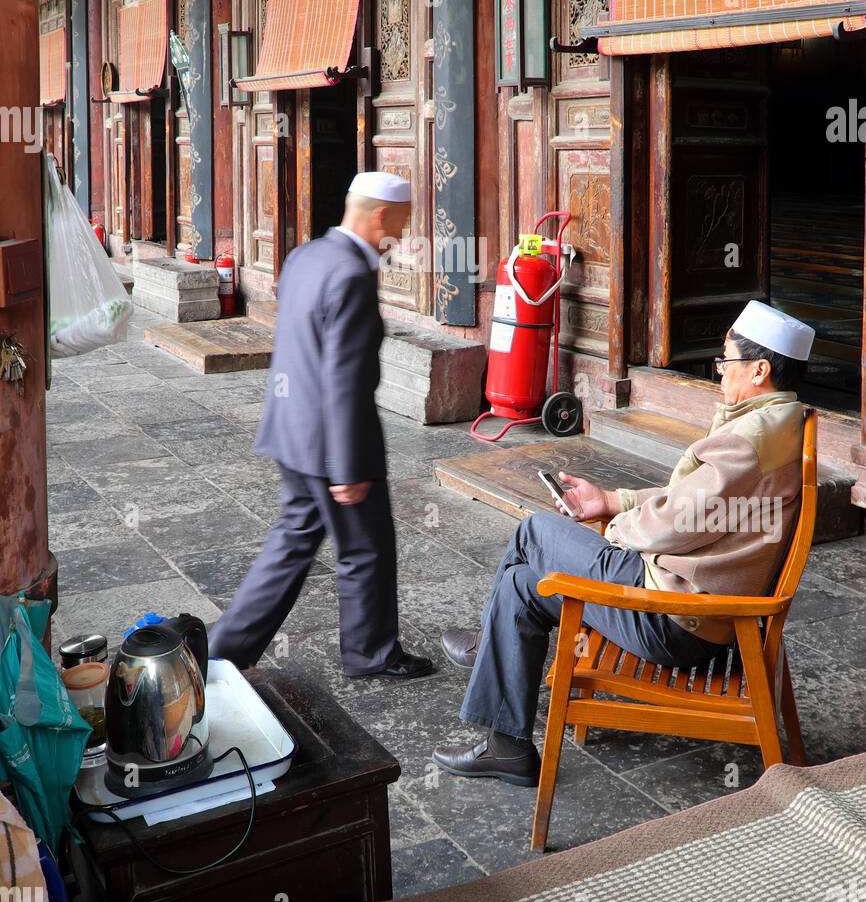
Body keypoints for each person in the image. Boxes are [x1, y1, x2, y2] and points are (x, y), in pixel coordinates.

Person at [433, 300, 814, 785]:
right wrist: (613, 500)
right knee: (521, 585)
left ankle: (488, 648)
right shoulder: (782, 422)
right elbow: (689, 502)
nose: (720, 370)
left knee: (536, 532)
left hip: (677, 618)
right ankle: (507, 746)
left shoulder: (749, 439)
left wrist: (615, 531)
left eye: (727, 360)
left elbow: (674, 522)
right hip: (700, 607)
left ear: (760, 370)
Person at [209, 171, 434, 680]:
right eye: (403, 221)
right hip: (333, 442)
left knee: (292, 542)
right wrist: (345, 467)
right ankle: (371, 653)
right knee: (366, 549)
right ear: (381, 215)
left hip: (291, 429)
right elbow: (344, 379)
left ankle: (222, 652)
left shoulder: (306, 256)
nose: (404, 233)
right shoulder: (351, 273)